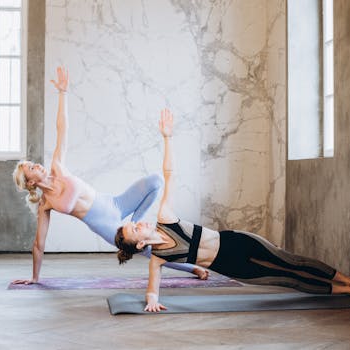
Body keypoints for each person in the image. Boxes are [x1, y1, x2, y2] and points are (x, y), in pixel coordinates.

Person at [115, 108, 350, 312]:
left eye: (135, 223)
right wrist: (151, 300)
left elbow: (169, 175)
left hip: (236, 241)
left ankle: (349, 279)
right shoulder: (159, 260)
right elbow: (153, 289)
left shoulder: (165, 219)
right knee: (287, 279)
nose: (140, 223)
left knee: (291, 261)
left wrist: (168, 138)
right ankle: (348, 291)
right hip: (231, 266)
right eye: (135, 229)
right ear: (139, 245)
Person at [11, 66, 207, 285]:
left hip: (114, 203)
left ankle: (136, 221)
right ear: (30, 182)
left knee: (156, 180)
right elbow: (39, 243)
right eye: (31, 168)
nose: (37, 165)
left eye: (34, 163)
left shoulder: (58, 166)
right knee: (148, 250)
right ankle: (193, 268)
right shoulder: (46, 205)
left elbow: (62, 128)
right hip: (105, 225)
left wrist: (63, 94)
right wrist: (34, 277)